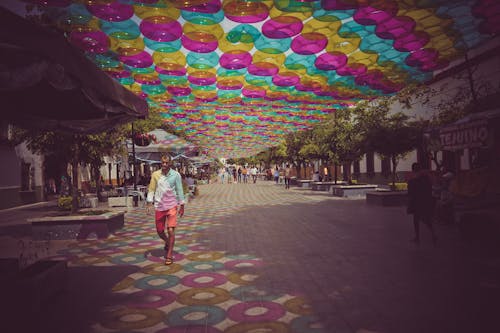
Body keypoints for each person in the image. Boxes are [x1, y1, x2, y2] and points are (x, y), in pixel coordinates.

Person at [146, 155, 185, 265]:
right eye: (162, 162)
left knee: (171, 230)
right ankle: (168, 242)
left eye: (166, 163)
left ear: (170, 163)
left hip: (172, 205)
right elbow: (151, 189)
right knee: (159, 231)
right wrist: (149, 203)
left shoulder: (176, 175)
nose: (164, 165)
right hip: (159, 206)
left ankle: (169, 255)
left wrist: (182, 205)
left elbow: (179, 190)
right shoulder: (155, 175)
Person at [407, 162, 437, 245]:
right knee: (425, 219)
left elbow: (410, 192)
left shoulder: (413, 180)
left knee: (417, 219)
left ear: (413, 169)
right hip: (424, 201)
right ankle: (432, 234)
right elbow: (429, 188)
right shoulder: (426, 177)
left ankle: (418, 237)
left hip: (417, 202)